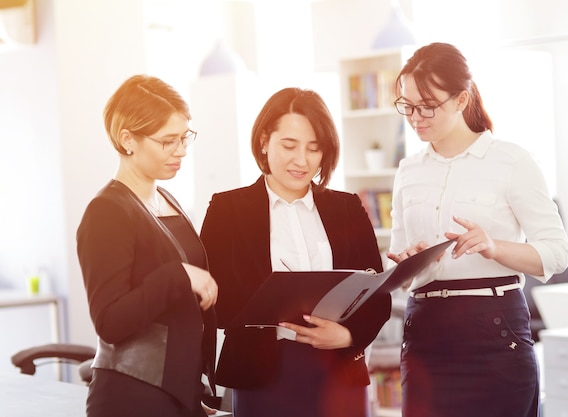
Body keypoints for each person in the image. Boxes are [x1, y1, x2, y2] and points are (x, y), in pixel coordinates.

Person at [387, 42, 568, 417]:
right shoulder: (408, 171)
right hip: (425, 336)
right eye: (407, 105)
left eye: (428, 106)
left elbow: (557, 252)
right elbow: (402, 273)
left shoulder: (511, 161)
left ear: (460, 100)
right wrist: (405, 265)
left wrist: (493, 246)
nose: (416, 116)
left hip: (494, 332)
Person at [199, 87, 392, 417]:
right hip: (262, 375)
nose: (301, 160)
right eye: (289, 145)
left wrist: (347, 334)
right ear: (264, 141)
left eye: (314, 149)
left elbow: (377, 293)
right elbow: (213, 300)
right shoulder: (227, 209)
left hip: (338, 369)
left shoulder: (347, 207)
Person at [76, 74, 219, 417]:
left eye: (184, 138)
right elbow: (109, 321)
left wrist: (188, 387)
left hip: (177, 394)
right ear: (128, 140)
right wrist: (178, 274)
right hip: (133, 399)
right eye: (168, 141)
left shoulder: (166, 199)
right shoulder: (107, 211)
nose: (181, 151)